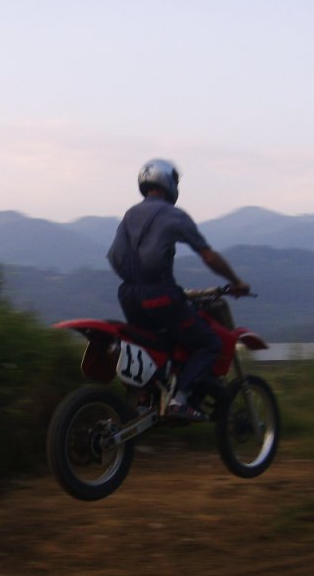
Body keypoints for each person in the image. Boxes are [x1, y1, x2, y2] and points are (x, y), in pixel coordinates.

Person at [107, 158, 251, 421]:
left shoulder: (130, 215)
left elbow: (115, 255)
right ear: (169, 182)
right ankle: (179, 399)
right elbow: (208, 256)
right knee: (209, 343)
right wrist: (236, 281)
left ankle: (147, 395)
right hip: (161, 297)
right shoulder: (174, 215)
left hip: (128, 296)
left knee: (159, 344)